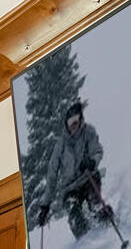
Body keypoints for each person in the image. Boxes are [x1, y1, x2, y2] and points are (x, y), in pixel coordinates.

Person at [34, 99, 117, 238]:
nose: (74, 126)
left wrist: (92, 162)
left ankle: (106, 229)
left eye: (76, 122)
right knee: (74, 213)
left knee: (94, 205)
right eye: (70, 123)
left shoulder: (88, 132)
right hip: (70, 188)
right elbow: (52, 174)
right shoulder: (61, 145)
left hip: (88, 177)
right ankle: (85, 242)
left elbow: (97, 151)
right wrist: (45, 205)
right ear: (66, 124)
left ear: (81, 120)